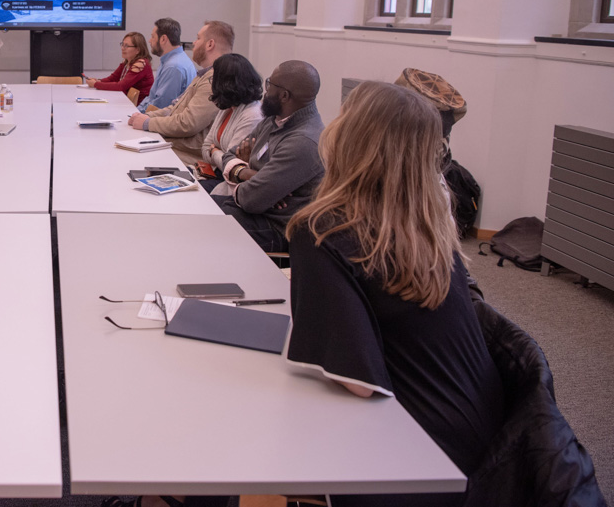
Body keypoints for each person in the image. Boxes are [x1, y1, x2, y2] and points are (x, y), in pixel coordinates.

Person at [284, 81, 504, 506]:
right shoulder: (431, 227)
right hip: (481, 446)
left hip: (408, 457)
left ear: (348, 138)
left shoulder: (324, 229)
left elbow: (359, 383)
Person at [217, 60, 324, 253]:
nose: (265, 90)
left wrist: (254, 183)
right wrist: (250, 174)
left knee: (207, 226)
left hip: (277, 228)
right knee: (198, 209)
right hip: (252, 210)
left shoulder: (304, 142)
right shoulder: (272, 120)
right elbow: (229, 155)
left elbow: (251, 199)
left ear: (284, 95)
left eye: (269, 84)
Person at [126, 21, 232, 165]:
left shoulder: (215, 79)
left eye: (198, 38)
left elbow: (188, 123)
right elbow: (175, 108)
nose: (194, 43)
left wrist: (148, 123)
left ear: (210, 44)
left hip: (188, 153)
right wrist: (146, 116)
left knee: (130, 157)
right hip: (179, 145)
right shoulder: (205, 74)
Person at [199, 53, 264, 195]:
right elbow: (205, 148)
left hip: (229, 183)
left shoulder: (252, 115)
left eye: (214, 78)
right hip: (216, 173)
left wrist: (215, 151)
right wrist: (217, 153)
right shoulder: (228, 107)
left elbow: (230, 163)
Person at [135, 18, 196, 112]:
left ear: (163, 39)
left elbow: (160, 105)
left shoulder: (173, 66)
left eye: (153, 37)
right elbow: (152, 97)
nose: (149, 41)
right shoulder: (172, 61)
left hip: (158, 121)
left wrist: (136, 114)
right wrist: (136, 111)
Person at [85, 31, 154, 104]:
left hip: (139, 108)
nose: (122, 48)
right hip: (126, 102)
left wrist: (95, 84)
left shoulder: (140, 64)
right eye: (122, 44)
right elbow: (112, 78)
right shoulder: (127, 62)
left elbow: (121, 86)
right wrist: (98, 81)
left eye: (126, 46)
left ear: (138, 50)